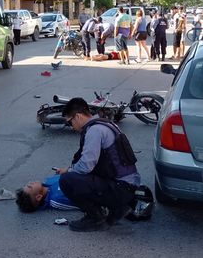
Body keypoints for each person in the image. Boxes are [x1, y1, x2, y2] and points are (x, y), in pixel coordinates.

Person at [55, 97, 140, 232]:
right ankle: (117, 208)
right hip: (127, 186)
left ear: (77, 116)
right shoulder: (105, 124)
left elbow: (86, 166)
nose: (71, 127)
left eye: (69, 122)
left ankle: (95, 218)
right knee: (74, 175)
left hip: (120, 188)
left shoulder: (94, 131)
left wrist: (68, 171)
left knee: (67, 180)